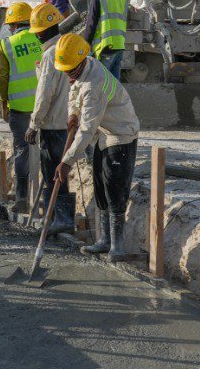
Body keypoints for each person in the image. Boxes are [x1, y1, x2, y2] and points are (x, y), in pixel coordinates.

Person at [52, 32, 140, 260]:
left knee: (114, 188)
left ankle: (117, 246)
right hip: (104, 133)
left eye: (70, 70)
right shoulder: (83, 66)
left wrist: (66, 162)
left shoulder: (94, 84)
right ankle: (104, 241)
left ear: (80, 61)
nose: (67, 74)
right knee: (100, 185)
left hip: (120, 134)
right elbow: (73, 91)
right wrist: (72, 113)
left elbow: (86, 130)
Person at [24, 3, 72, 234]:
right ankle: (57, 218)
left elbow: (44, 94)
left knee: (52, 171)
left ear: (42, 31)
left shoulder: (49, 54)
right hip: (69, 122)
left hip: (53, 123)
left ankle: (57, 219)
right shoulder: (68, 47)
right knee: (61, 170)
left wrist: (34, 124)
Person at [0, 2, 40, 215]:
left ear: (13, 25)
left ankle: (22, 199)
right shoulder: (42, 39)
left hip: (20, 108)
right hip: (44, 106)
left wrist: (4, 104)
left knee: (22, 150)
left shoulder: (7, 44)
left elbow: (2, 77)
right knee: (48, 152)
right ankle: (46, 199)